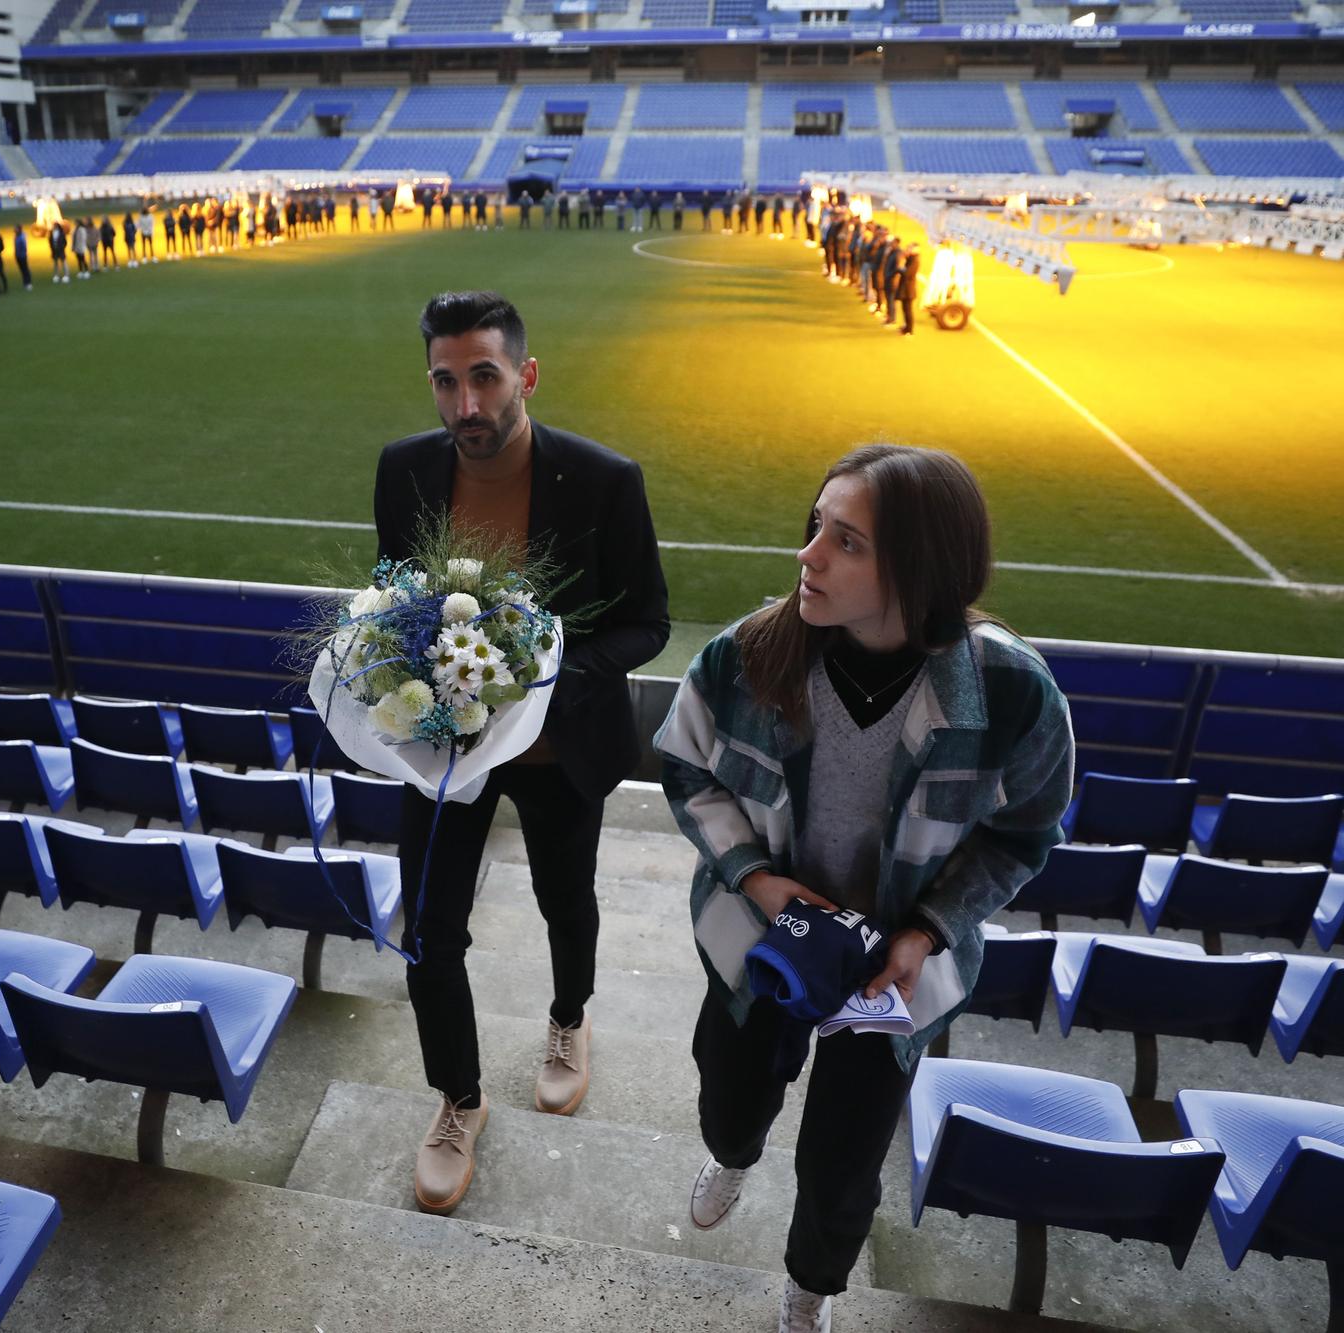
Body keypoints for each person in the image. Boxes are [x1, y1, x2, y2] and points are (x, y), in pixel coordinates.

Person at [654, 444, 1072, 1333]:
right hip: (761, 941)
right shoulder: (746, 654)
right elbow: (685, 767)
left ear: (919, 570)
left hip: (892, 973)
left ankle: (812, 1287)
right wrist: (760, 880)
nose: (807, 555)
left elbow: (1024, 833)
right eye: (816, 527)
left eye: (845, 541)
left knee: (844, 1162)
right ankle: (733, 1153)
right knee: (728, 1098)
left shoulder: (1013, 693)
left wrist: (925, 932)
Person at [374, 291, 670, 1217]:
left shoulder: (604, 478)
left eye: (485, 378)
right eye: (446, 382)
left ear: (526, 376)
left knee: (562, 898)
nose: (466, 406)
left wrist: (541, 675)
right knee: (428, 932)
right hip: (449, 750)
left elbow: (648, 622)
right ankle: (458, 1099)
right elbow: (396, 592)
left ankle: (569, 1018)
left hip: (558, 747)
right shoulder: (402, 471)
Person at [895, 242, 919, 336]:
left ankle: (909, 329)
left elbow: (907, 273)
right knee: (905, 309)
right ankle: (906, 327)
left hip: (909, 290)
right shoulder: (911, 259)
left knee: (908, 310)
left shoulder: (915, 260)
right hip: (906, 289)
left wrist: (901, 267)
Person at [48, 218, 68, 283]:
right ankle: (56, 275)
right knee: (55, 263)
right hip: (54, 250)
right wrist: (52, 247)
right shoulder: (51, 232)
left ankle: (66, 275)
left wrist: (62, 247)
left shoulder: (61, 233)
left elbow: (65, 242)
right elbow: (50, 241)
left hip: (61, 250)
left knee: (63, 262)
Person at [12, 224, 32, 290]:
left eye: (15, 229)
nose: (14, 230)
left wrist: (22, 253)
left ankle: (28, 283)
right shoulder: (16, 236)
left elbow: (24, 246)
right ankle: (25, 282)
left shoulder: (21, 237)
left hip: (22, 255)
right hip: (18, 255)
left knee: (25, 269)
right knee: (22, 270)